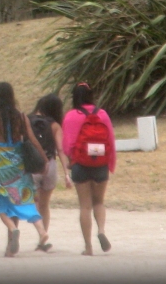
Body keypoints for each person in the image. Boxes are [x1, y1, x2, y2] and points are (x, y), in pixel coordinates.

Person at [0, 82, 50, 256]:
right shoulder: (21, 117)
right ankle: (42, 231)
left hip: (1, 167)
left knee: (3, 205)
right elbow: (33, 140)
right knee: (25, 200)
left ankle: (12, 229)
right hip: (19, 166)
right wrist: (44, 159)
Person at [61, 82, 116, 256]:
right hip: (100, 163)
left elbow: (67, 145)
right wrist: (110, 163)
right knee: (98, 201)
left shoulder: (70, 116)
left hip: (80, 164)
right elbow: (111, 141)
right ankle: (101, 230)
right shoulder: (102, 114)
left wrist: (71, 161)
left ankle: (88, 247)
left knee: (85, 206)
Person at [28, 93, 72, 240]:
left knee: (33, 203)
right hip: (50, 164)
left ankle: (41, 231)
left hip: (32, 165)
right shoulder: (55, 125)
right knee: (44, 205)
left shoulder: (28, 121)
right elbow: (60, 149)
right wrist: (66, 173)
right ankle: (43, 235)